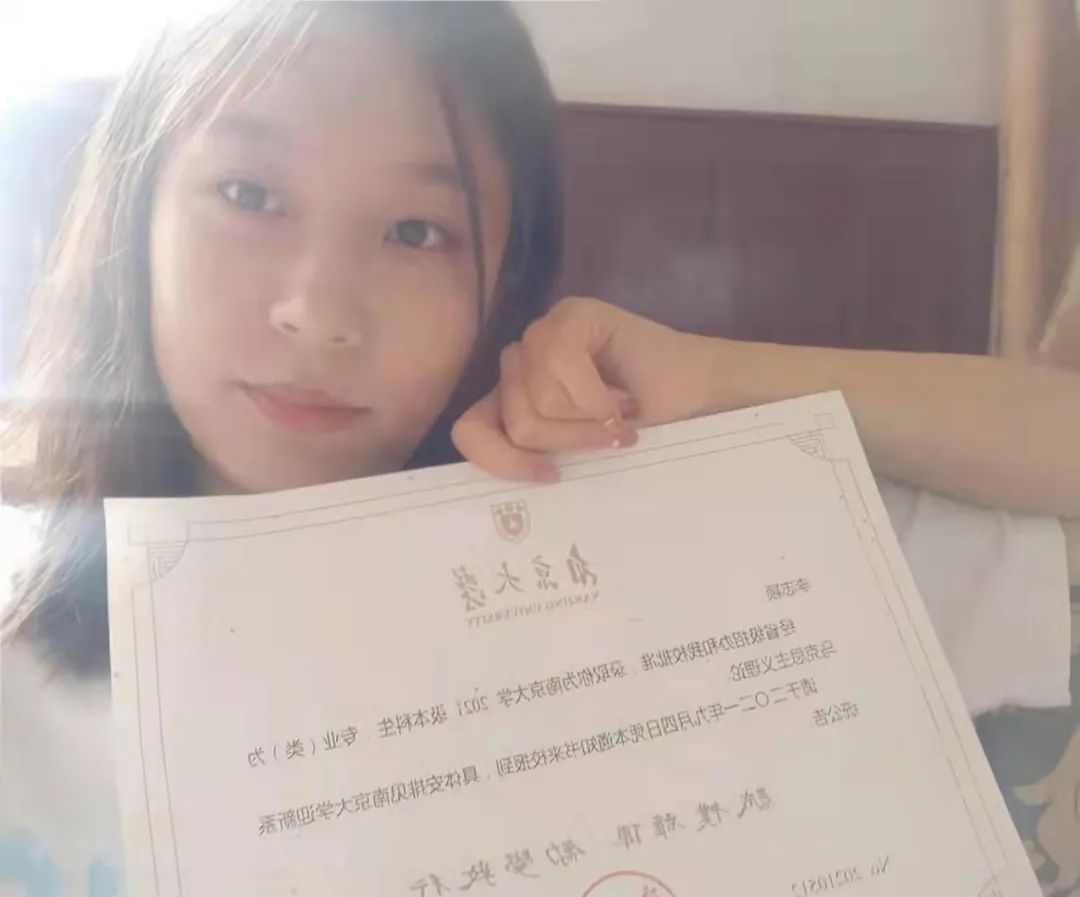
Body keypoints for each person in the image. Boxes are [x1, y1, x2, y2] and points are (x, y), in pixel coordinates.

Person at [0, 3, 1076, 894]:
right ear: (132, 216)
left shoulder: (657, 535)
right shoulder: (22, 663)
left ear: (504, 280)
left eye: (416, 231)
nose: (319, 313)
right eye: (249, 195)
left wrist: (717, 375)